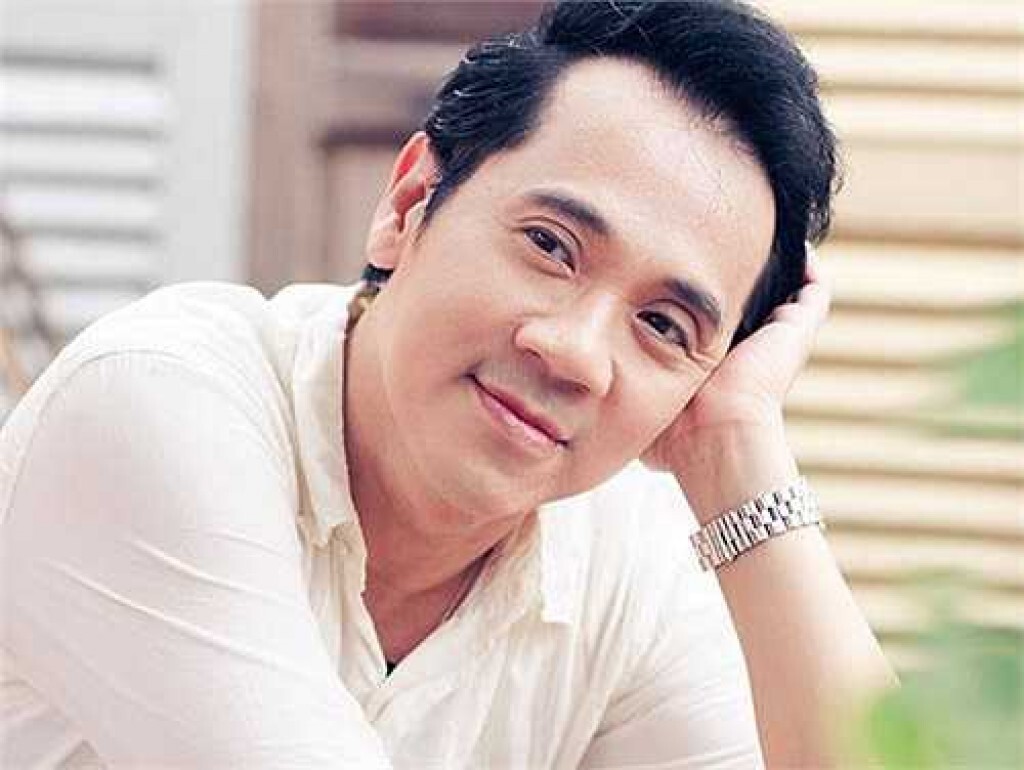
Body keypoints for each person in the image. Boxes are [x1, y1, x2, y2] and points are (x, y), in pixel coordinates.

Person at [0, 2, 899, 768]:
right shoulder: (155, 406)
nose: (576, 354)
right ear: (409, 206)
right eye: (550, 246)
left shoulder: (631, 556)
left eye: (665, 327)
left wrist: (737, 446)